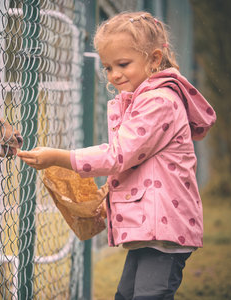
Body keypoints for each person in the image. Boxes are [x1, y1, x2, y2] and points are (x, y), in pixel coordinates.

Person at [17, 11, 216, 300]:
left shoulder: (158, 101)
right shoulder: (144, 99)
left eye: (123, 64)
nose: (114, 75)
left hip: (163, 227)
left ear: (154, 59)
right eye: (108, 67)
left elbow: (118, 155)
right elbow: (142, 165)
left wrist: (59, 157)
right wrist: (113, 194)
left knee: (148, 295)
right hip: (152, 227)